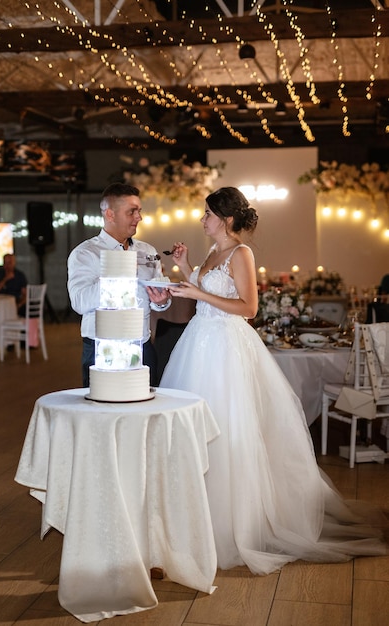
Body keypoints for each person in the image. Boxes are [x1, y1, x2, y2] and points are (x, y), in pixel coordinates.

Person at [160, 186, 387, 575]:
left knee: (228, 430)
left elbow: (247, 307)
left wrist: (196, 289)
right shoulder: (214, 252)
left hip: (225, 348)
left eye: (208, 214)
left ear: (226, 219)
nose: (202, 219)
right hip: (200, 342)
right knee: (196, 430)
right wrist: (185, 267)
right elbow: (206, 291)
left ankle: (234, 523)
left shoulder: (241, 253)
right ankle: (195, 518)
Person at [67, 182, 171, 388]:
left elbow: (157, 299)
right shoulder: (85, 253)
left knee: (145, 409)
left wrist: (162, 301)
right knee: (103, 411)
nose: (139, 218)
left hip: (142, 344)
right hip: (101, 347)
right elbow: (79, 302)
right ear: (110, 214)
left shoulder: (147, 251)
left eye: (139, 211)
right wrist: (118, 275)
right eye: (131, 212)